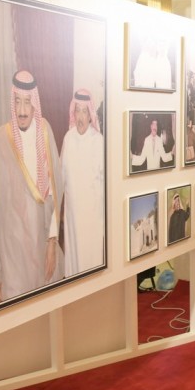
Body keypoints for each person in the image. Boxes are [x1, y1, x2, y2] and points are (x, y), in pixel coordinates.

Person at [0, 70, 64, 303]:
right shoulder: (2, 138)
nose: (22, 111)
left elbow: (55, 191)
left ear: (35, 104)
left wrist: (52, 243)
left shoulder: (45, 130)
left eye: (27, 102)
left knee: (47, 306)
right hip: (13, 246)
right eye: (17, 102)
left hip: (42, 239)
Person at [60, 89, 106, 275]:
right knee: (74, 267)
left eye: (84, 111)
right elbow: (61, 178)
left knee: (91, 264)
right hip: (72, 217)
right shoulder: (68, 138)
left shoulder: (99, 141)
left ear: (90, 114)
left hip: (92, 217)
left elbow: (105, 185)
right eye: (77, 110)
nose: (80, 117)